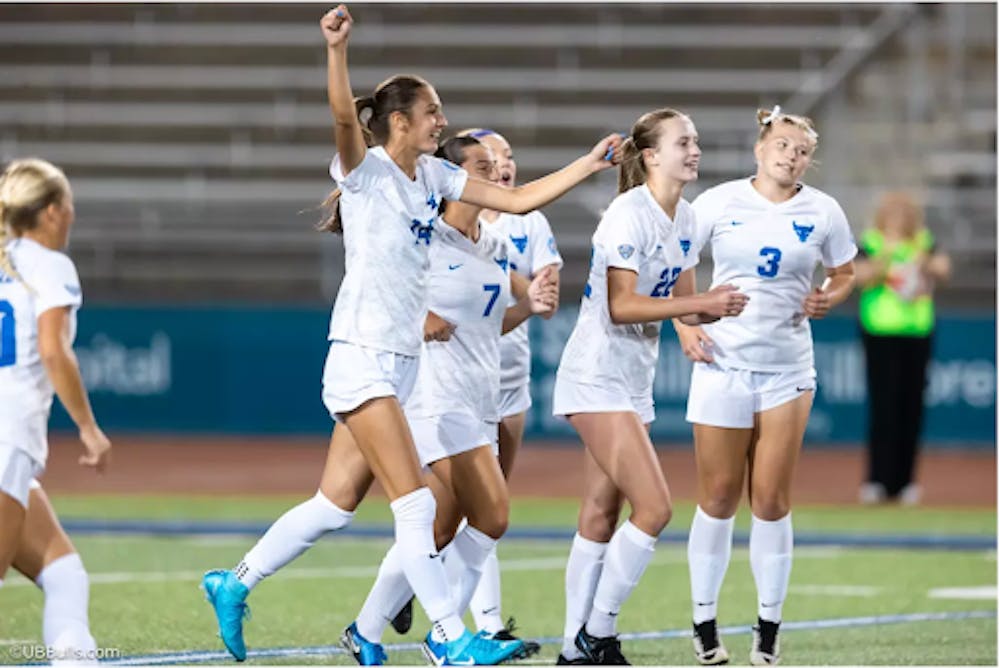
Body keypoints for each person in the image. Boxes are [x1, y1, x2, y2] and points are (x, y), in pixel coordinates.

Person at [201, 5, 623, 664]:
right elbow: (345, 117)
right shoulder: (365, 170)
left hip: (398, 364)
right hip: (362, 355)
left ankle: (234, 581)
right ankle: (452, 640)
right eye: (433, 113)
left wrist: (589, 164)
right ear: (400, 122)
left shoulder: (435, 176)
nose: (443, 121)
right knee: (416, 502)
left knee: (334, 504)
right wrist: (336, 50)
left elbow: (516, 201)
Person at [342, 135, 557, 665]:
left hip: (478, 395)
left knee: (443, 525)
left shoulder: (490, 244)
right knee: (493, 514)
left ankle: (367, 629)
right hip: (434, 397)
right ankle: (447, 635)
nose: (496, 174)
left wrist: (528, 304)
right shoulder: (424, 238)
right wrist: (418, 319)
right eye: (482, 166)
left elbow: (490, 326)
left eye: (500, 165)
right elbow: (376, 292)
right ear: (454, 177)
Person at [552, 108, 749, 665]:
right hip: (596, 374)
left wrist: (714, 312)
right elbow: (622, 307)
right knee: (656, 508)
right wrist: (699, 304)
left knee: (598, 513)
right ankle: (599, 631)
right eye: (683, 141)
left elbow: (683, 300)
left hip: (632, 380)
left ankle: (573, 650)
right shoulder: (626, 214)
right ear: (651, 156)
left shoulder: (685, 217)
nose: (695, 150)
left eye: (696, 141)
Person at [674, 105, 857, 665]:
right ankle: (704, 621)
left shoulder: (823, 210)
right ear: (760, 148)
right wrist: (684, 320)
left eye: (801, 151)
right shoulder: (718, 202)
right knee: (719, 496)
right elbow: (680, 259)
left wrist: (830, 294)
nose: (791, 156)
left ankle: (768, 627)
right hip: (723, 360)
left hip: (787, 367)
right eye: (782, 145)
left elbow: (846, 271)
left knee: (772, 499)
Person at [0, 157, 113, 663]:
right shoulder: (50, 264)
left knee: (64, 572)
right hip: (8, 436)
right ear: (49, 212)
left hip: (12, 446)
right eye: (67, 204)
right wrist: (89, 428)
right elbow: (52, 349)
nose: (71, 214)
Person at [854, 191, 950, 505]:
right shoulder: (871, 242)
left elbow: (943, 268)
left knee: (912, 407)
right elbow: (860, 275)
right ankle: (877, 479)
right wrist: (887, 258)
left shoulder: (923, 241)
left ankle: (906, 481)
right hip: (880, 330)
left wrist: (922, 261)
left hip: (917, 330)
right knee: (883, 406)